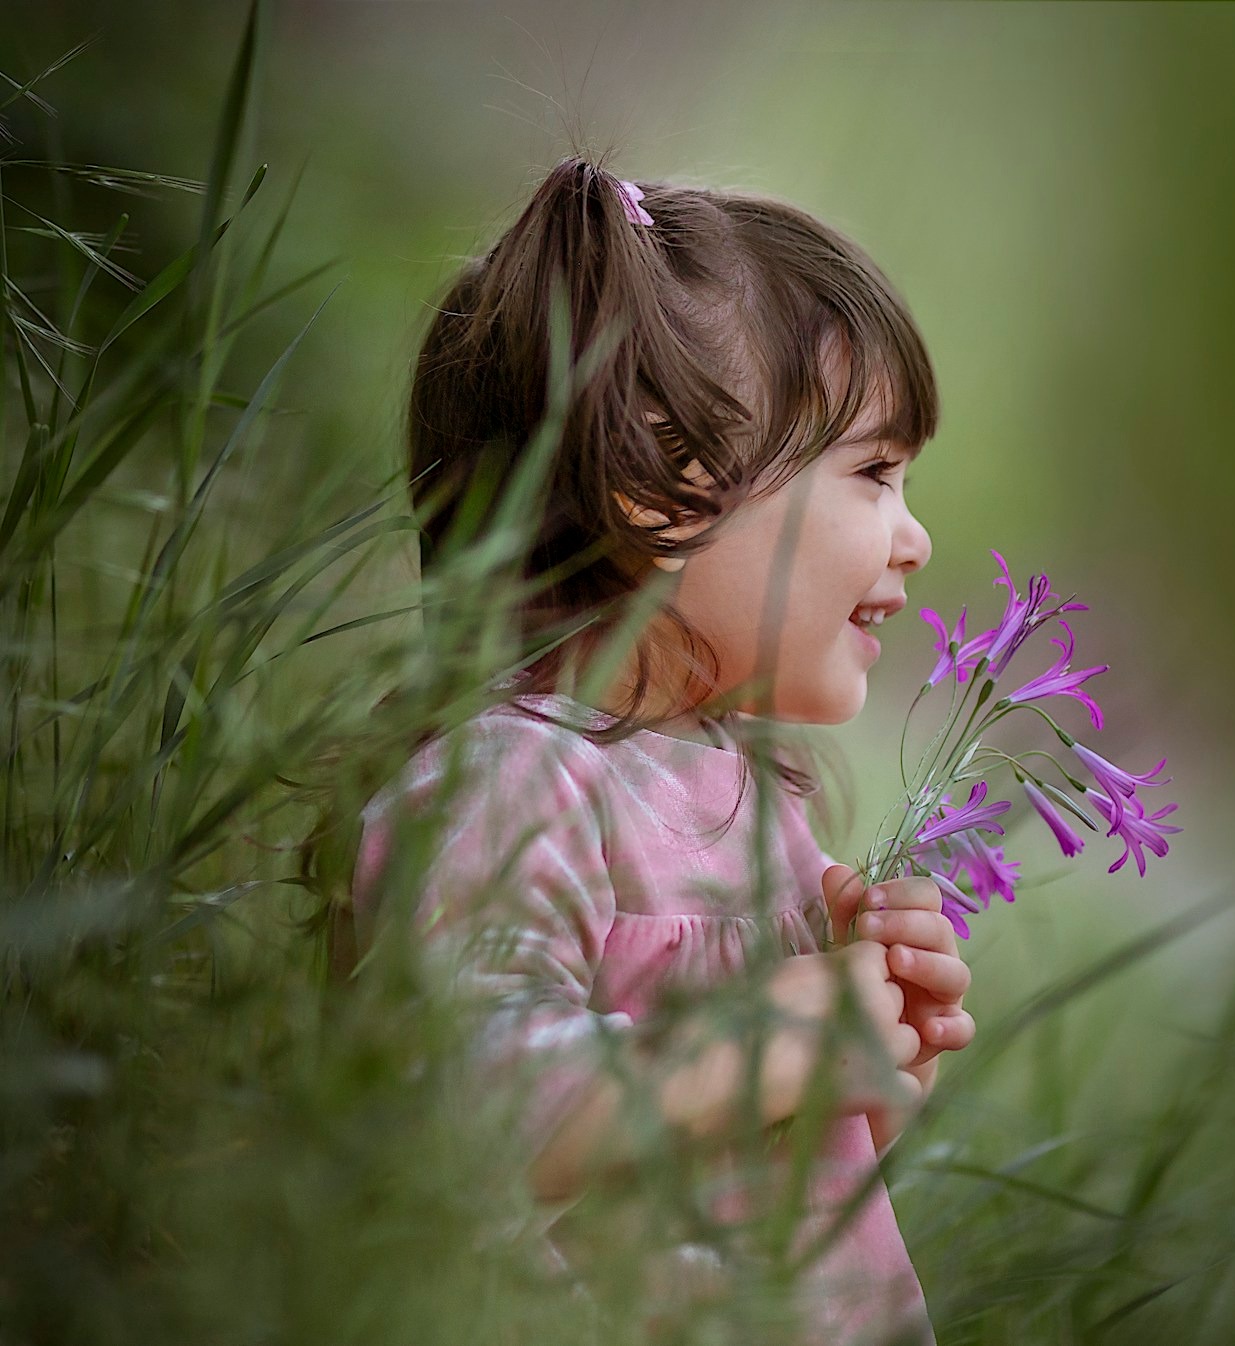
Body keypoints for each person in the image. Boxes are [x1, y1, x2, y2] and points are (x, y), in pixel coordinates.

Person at [352, 158, 974, 1345]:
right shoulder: (504, 786)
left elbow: (768, 1167)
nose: (915, 535)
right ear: (664, 491)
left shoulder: (751, 796)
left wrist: (877, 1050)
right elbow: (464, 1108)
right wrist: (775, 1035)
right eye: (876, 473)